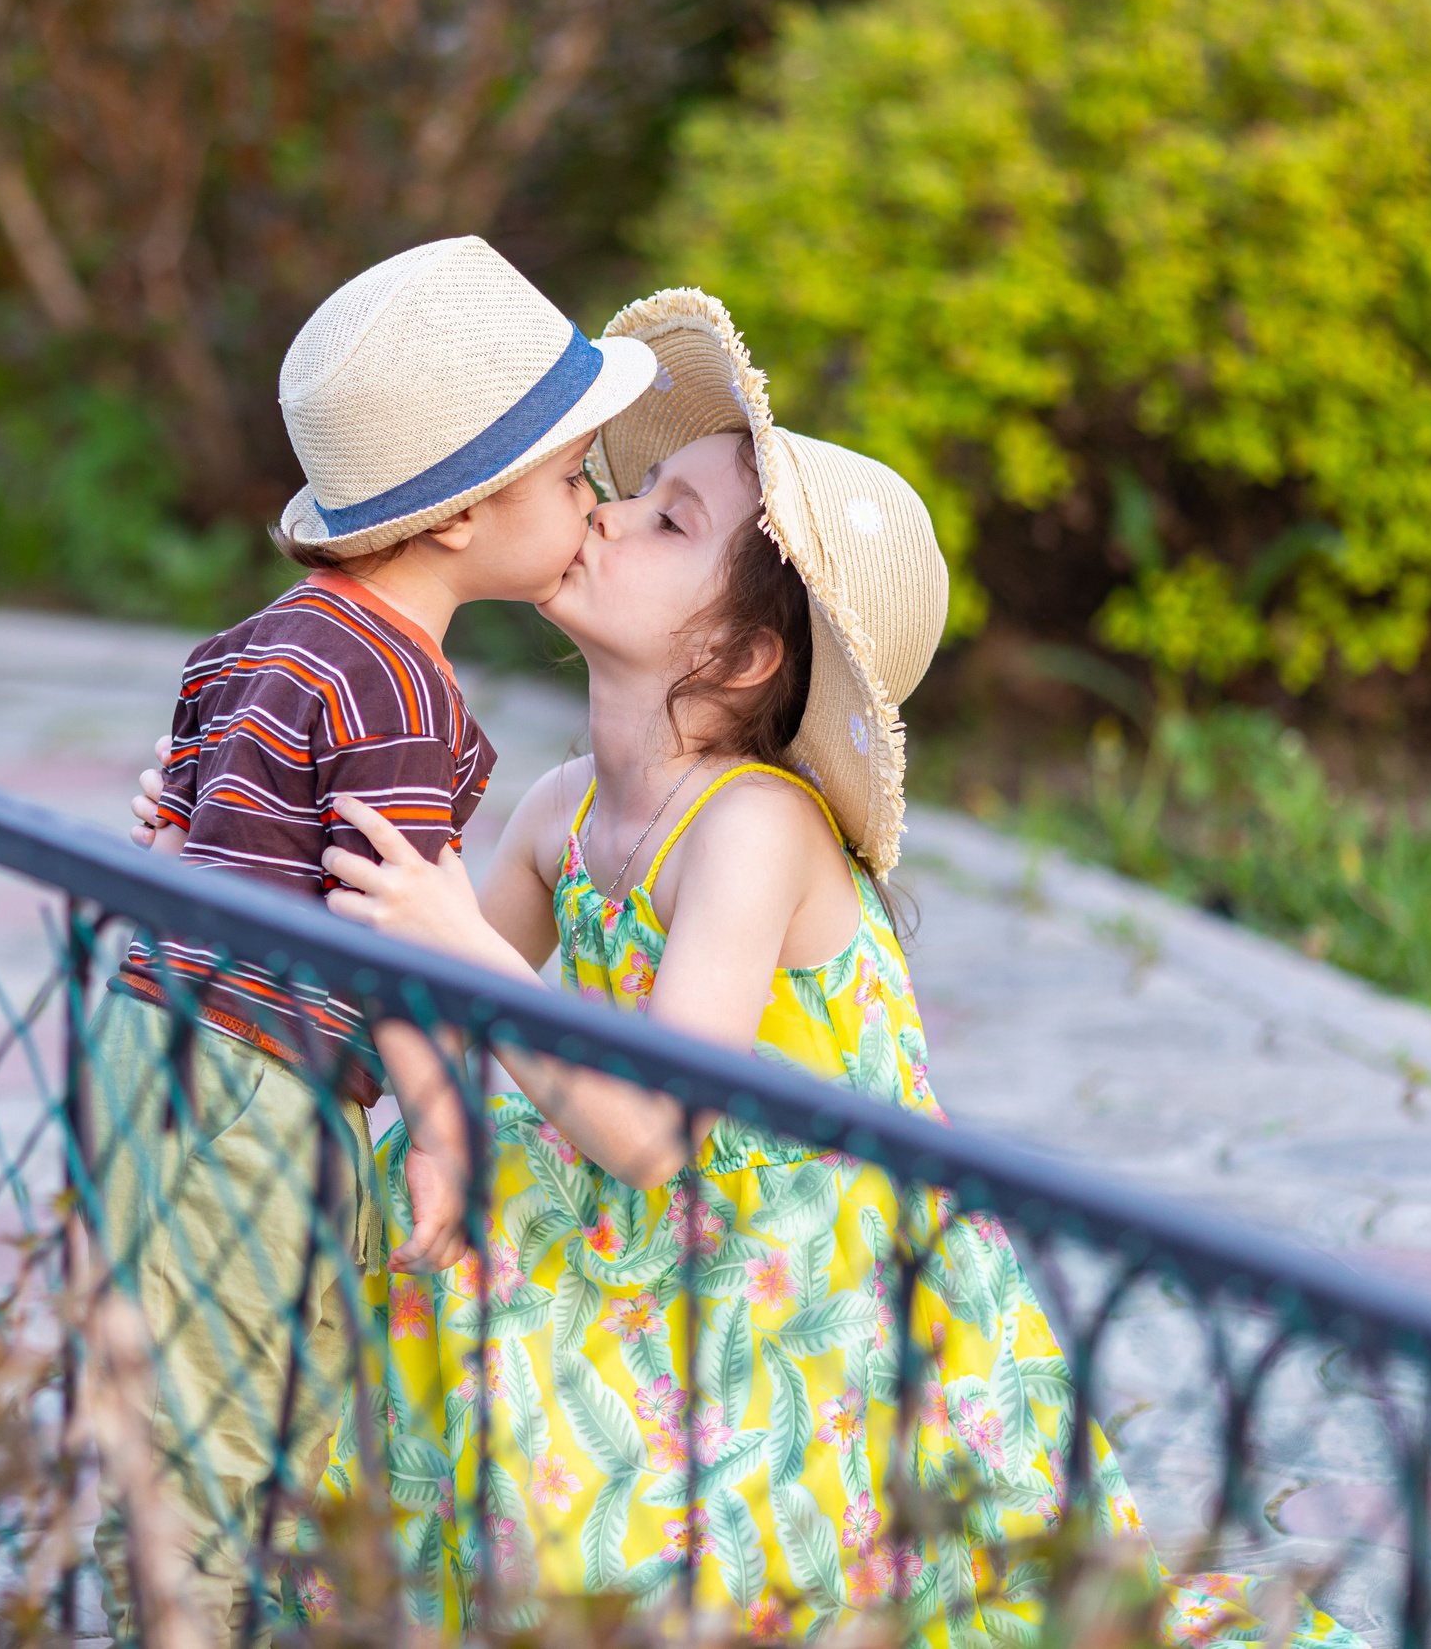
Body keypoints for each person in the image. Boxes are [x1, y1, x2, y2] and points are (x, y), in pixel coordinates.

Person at [294, 289, 1363, 1644]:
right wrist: (229, 835)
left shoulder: (752, 826)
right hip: (644, 1228)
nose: (607, 513)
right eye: (625, 490)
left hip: (802, 1273)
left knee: (573, 1391)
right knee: (424, 1218)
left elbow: (652, 1126)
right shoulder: (562, 806)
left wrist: (461, 960)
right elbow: (389, 980)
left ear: (740, 651)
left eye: (667, 518)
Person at [88, 235, 657, 1640]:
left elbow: (187, 815)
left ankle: (157, 1591)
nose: (591, 499)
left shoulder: (256, 639)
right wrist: (443, 1131)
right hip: (261, 1080)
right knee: (244, 1415)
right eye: (571, 471)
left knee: (164, 1378)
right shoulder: (407, 693)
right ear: (463, 515)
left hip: (144, 1041)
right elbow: (390, 922)